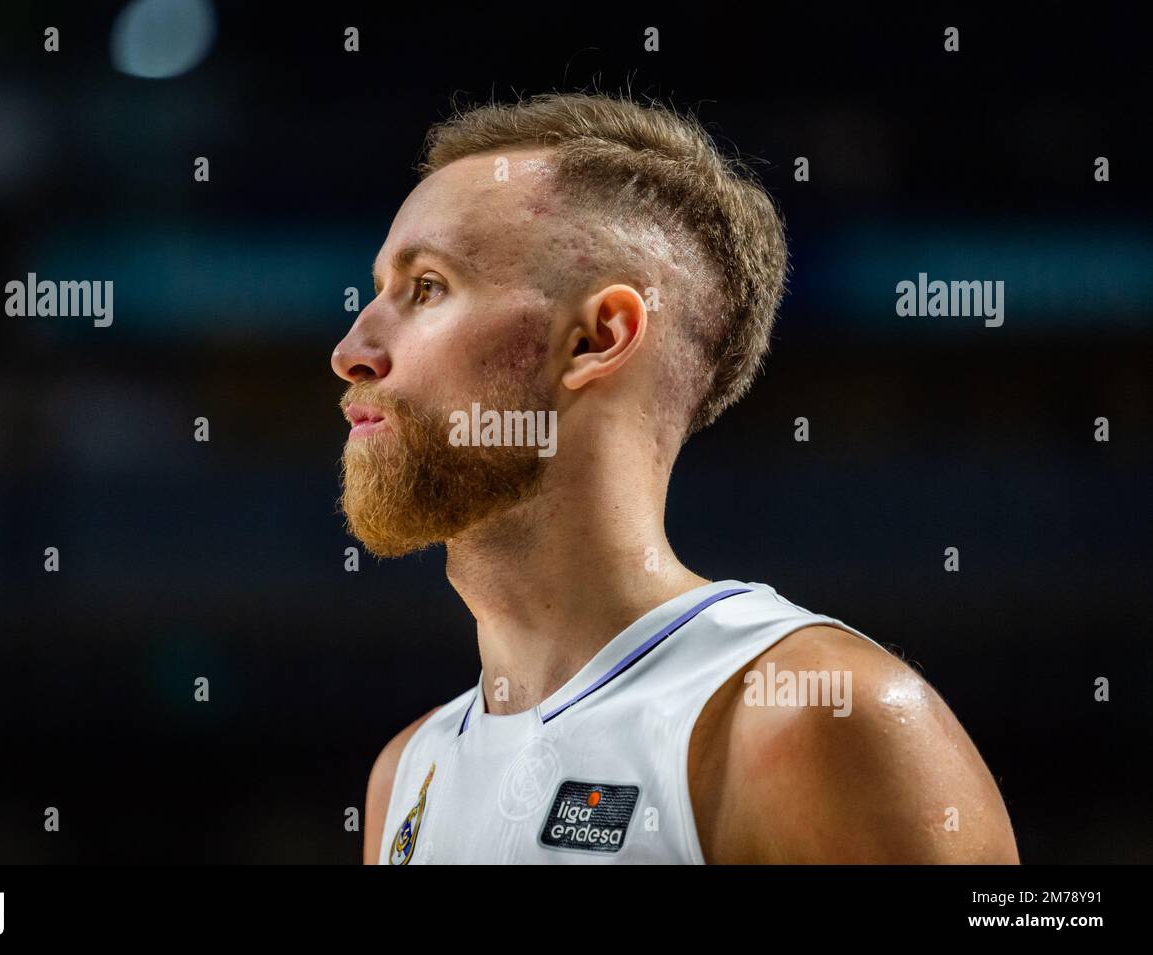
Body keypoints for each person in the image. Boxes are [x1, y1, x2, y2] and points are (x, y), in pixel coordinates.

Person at [331, 92, 1019, 864]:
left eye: (426, 287)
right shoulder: (405, 774)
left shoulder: (813, 718)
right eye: (378, 291)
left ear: (598, 337)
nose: (351, 350)